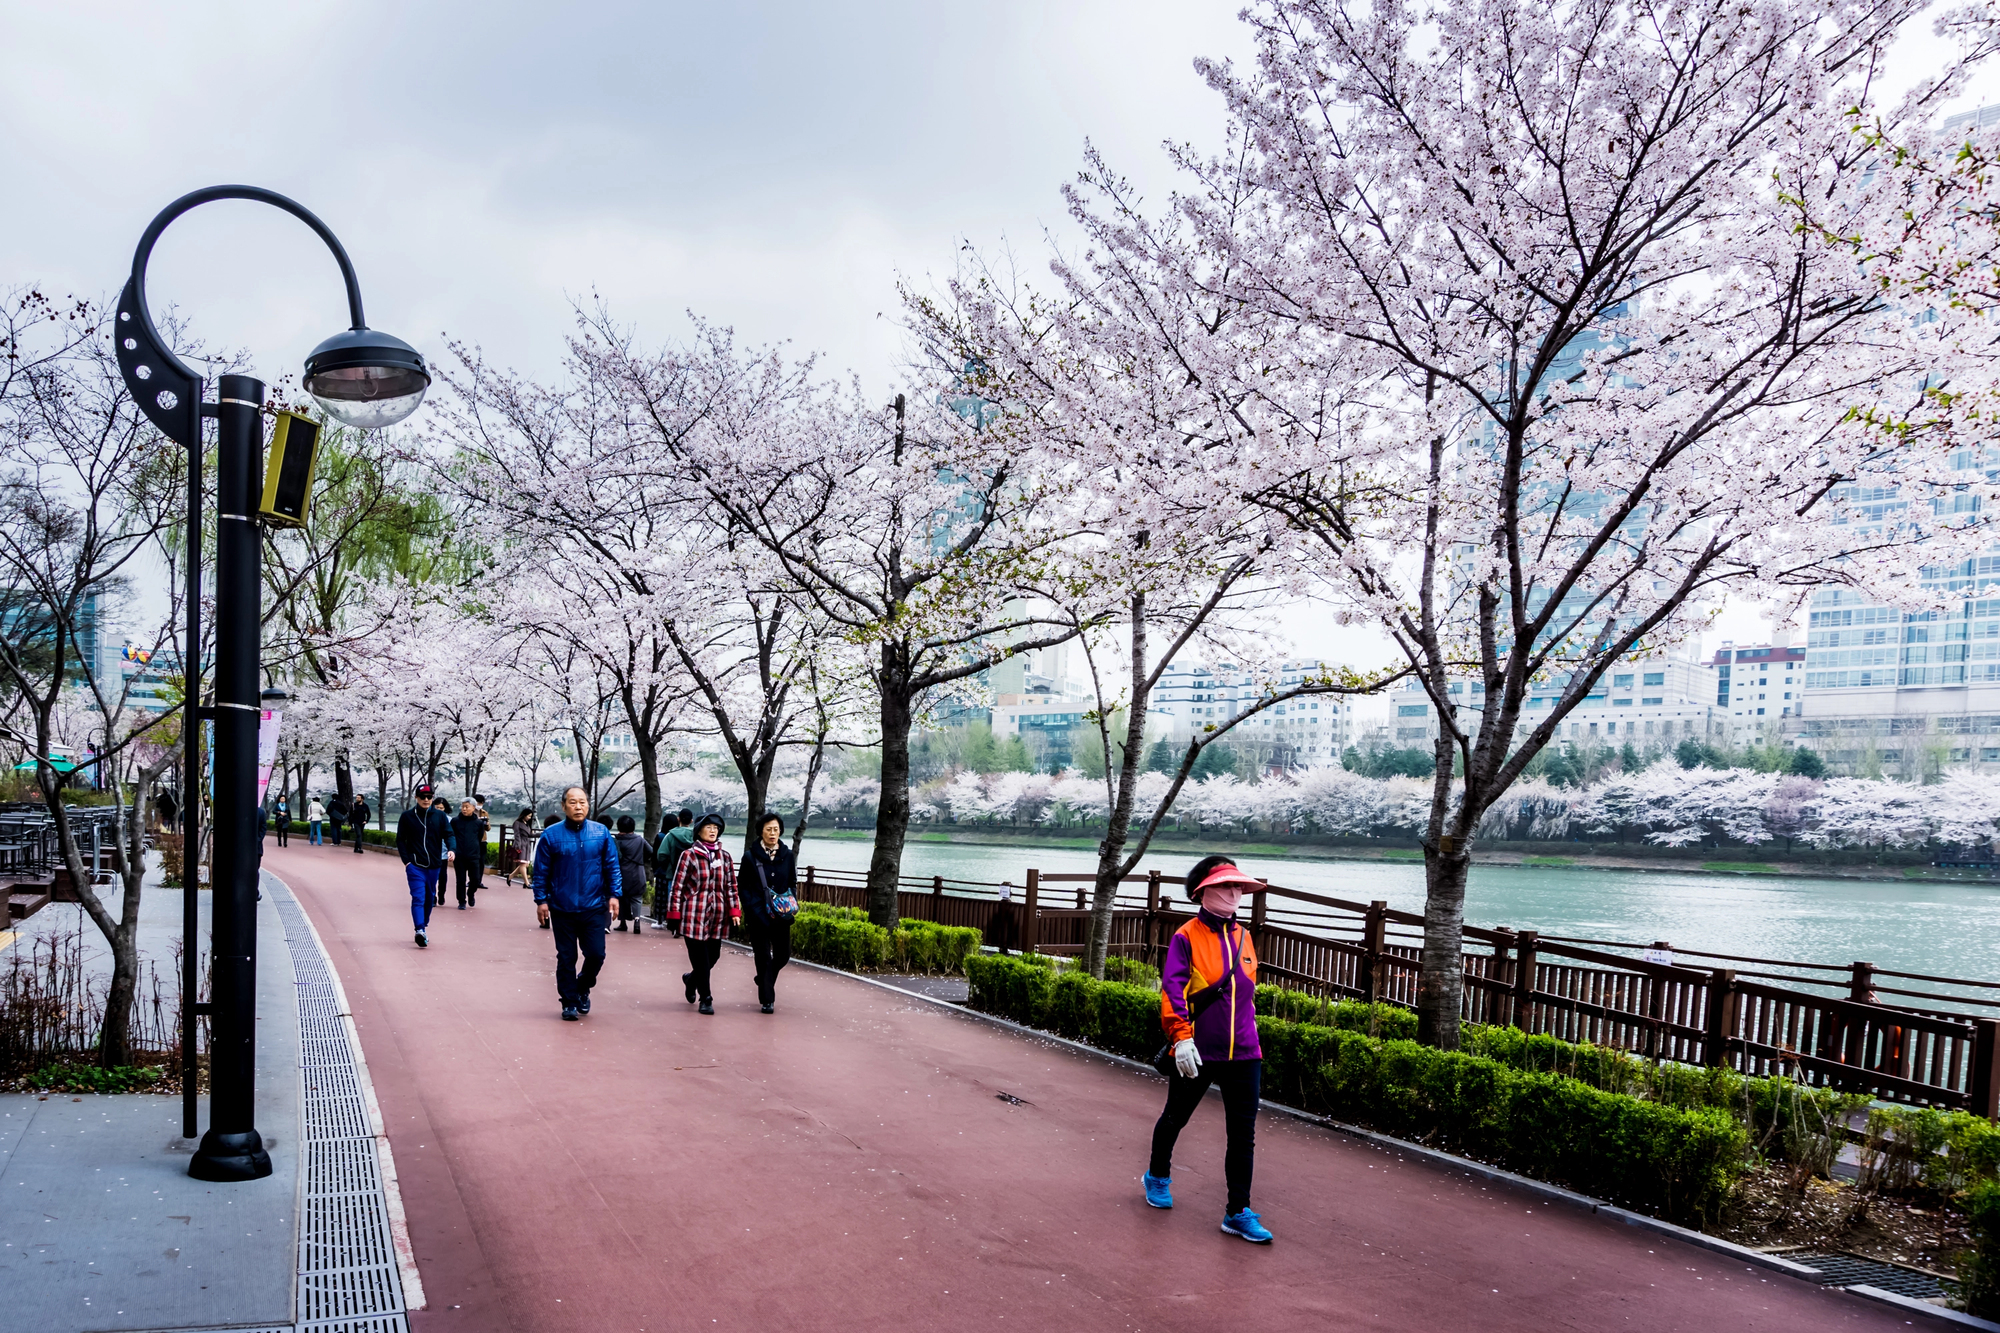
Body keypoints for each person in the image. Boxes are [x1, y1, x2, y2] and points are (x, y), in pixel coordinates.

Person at [1143, 855, 1273, 1244]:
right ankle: (1157, 1176)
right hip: (1197, 1050)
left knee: (1243, 1135)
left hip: (1245, 1053)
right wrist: (1181, 1038)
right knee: (1175, 1117)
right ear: (1204, 892)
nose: (1234, 892)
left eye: (1238, 886)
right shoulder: (1186, 937)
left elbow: (1246, 994)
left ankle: (1238, 1211)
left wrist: (1249, 1031)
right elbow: (1173, 991)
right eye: (1225, 885)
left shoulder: (1244, 937)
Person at [531, 785, 621, 1021]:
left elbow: (612, 867)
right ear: (564, 806)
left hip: (594, 906)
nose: (578, 807)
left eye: (582, 802)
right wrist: (541, 900)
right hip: (562, 907)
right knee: (566, 957)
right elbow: (541, 871)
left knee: (596, 954)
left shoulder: (601, 833)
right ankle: (569, 1002)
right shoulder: (551, 835)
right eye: (572, 802)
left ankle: (583, 986)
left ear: (588, 805)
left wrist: (614, 895)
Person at [665, 812, 739, 1014]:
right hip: (693, 916)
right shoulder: (688, 855)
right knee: (701, 959)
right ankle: (706, 998)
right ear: (698, 831)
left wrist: (734, 911)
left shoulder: (725, 857)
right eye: (708, 827)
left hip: (717, 916)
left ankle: (691, 980)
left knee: (713, 956)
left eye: (716, 828)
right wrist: (674, 913)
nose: (713, 831)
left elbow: (731, 886)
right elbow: (677, 887)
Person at [740, 812, 796, 1013]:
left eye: (776, 829)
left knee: (783, 955)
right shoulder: (750, 857)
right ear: (761, 832)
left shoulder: (787, 855)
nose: (773, 833)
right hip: (759, 916)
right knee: (763, 956)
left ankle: (764, 979)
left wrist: (790, 903)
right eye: (769, 829)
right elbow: (743, 887)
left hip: (781, 915)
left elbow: (792, 882)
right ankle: (767, 999)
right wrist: (752, 909)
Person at [395, 785, 456, 948]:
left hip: (434, 865)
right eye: (423, 797)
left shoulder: (440, 816)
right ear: (416, 798)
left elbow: (449, 834)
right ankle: (419, 930)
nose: (426, 800)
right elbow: (400, 840)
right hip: (415, 865)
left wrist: (452, 849)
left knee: (429, 898)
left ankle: (423, 924)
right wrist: (407, 861)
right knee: (418, 897)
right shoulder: (407, 816)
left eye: (429, 797)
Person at [652, 808, 695, 930]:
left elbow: (661, 855)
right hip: (692, 874)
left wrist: (669, 865)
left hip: (673, 873)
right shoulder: (696, 835)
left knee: (673, 898)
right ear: (691, 821)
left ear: (678, 819)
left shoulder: (670, 835)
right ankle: (686, 924)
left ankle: (673, 923)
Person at [612, 815, 649, 933]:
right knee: (637, 898)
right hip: (638, 872)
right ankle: (637, 921)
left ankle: (623, 923)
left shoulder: (617, 841)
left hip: (622, 873)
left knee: (622, 898)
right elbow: (650, 851)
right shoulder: (640, 840)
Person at [450, 799, 489, 908]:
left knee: (475, 879)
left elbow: (479, 836)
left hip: (474, 855)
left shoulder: (478, 823)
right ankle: (461, 901)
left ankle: (471, 893)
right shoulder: (455, 821)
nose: (464, 809)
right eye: (462, 806)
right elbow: (451, 836)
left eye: (467, 807)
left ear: (473, 808)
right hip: (459, 855)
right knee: (460, 879)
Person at [985, 881, 1017, 955]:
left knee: (1001, 931)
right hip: (1007, 924)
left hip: (1000, 924)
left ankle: (1002, 947)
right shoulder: (1010, 904)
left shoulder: (1000, 904)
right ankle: (1004, 947)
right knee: (1007, 931)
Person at [507, 808, 536, 886]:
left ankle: (510, 876)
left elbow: (530, 835)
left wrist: (540, 834)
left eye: (530, 816)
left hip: (527, 845)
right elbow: (517, 835)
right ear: (524, 815)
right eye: (528, 816)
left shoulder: (527, 824)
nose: (529, 818)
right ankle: (527, 883)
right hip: (521, 845)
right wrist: (518, 846)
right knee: (523, 864)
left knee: (525, 864)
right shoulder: (517, 823)